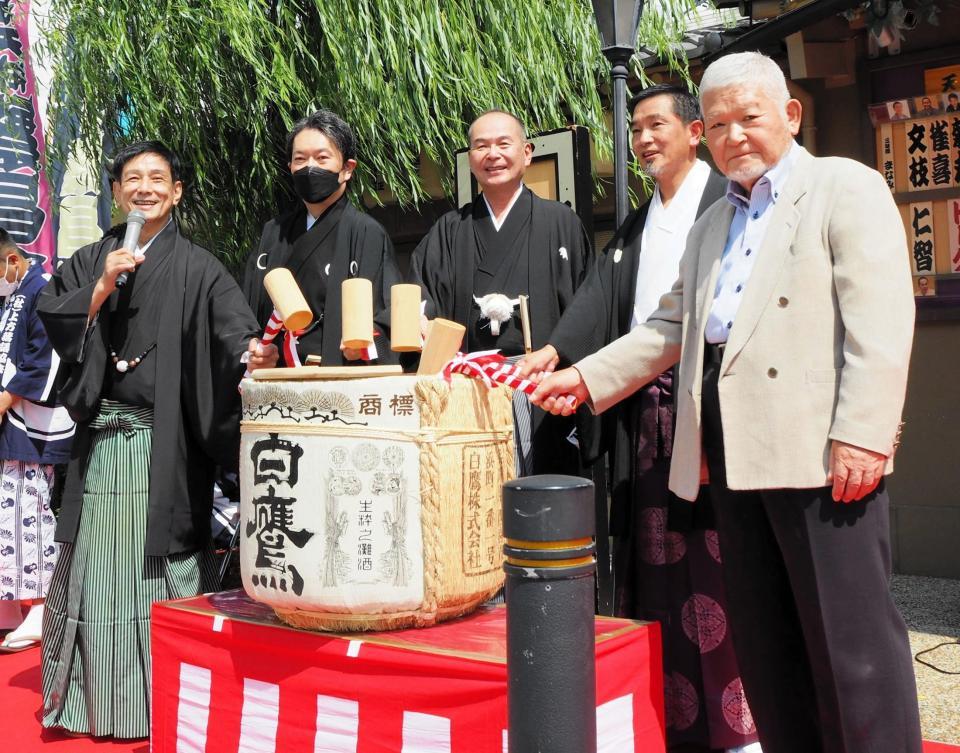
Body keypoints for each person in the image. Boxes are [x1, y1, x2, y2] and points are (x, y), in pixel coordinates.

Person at [533, 52, 921, 753]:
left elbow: (882, 320)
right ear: (703, 134)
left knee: (851, 647)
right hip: (732, 458)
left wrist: (864, 433)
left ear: (790, 115)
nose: (734, 134)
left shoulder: (843, 187)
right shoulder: (715, 223)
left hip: (822, 455)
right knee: (768, 648)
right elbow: (669, 326)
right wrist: (587, 378)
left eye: (750, 116)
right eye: (718, 123)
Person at [519, 84, 757, 752]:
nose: (646, 138)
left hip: (709, 408)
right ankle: (673, 715)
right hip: (643, 412)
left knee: (720, 561)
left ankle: (740, 721)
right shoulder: (638, 221)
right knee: (653, 560)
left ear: (693, 131)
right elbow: (602, 297)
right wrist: (558, 350)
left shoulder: (727, 204)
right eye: (637, 129)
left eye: (658, 125)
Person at [37, 141, 278, 738]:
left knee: (157, 570)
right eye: (131, 179)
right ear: (116, 192)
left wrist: (252, 353)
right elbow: (53, 330)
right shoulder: (91, 258)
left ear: (176, 192)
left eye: (157, 179)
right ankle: (97, 704)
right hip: (100, 450)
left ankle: (165, 702)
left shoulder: (199, 267)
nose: (144, 188)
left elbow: (232, 332)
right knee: (97, 571)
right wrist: (99, 288)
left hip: (161, 449)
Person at [409, 109, 590, 474]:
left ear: (527, 152)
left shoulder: (561, 222)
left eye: (503, 144)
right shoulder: (449, 230)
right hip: (470, 392)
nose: (492, 154)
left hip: (543, 388)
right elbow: (419, 298)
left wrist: (560, 355)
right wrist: (420, 322)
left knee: (545, 502)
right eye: (481, 146)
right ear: (470, 158)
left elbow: (588, 306)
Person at [243, 110, 403, 365]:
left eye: (322, 158)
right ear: (290, 168)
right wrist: (253, 347)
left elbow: (388, 314)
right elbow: (248, 311)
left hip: (338, 378)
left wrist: (364, 344)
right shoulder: (274, 232)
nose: (309, 168)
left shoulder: (366, 232)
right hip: (280, 379)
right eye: (300, 159)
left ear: (347, 169)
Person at [0, 230, 74, 653]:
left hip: (32, 418)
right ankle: (12, 601)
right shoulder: (11, 294)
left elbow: (44, 362)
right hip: (10, 415)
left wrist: (6, 398)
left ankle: (45, 605)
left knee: (29, 508)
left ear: (13, 260)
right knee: (6, 509)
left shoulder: (44, 291)